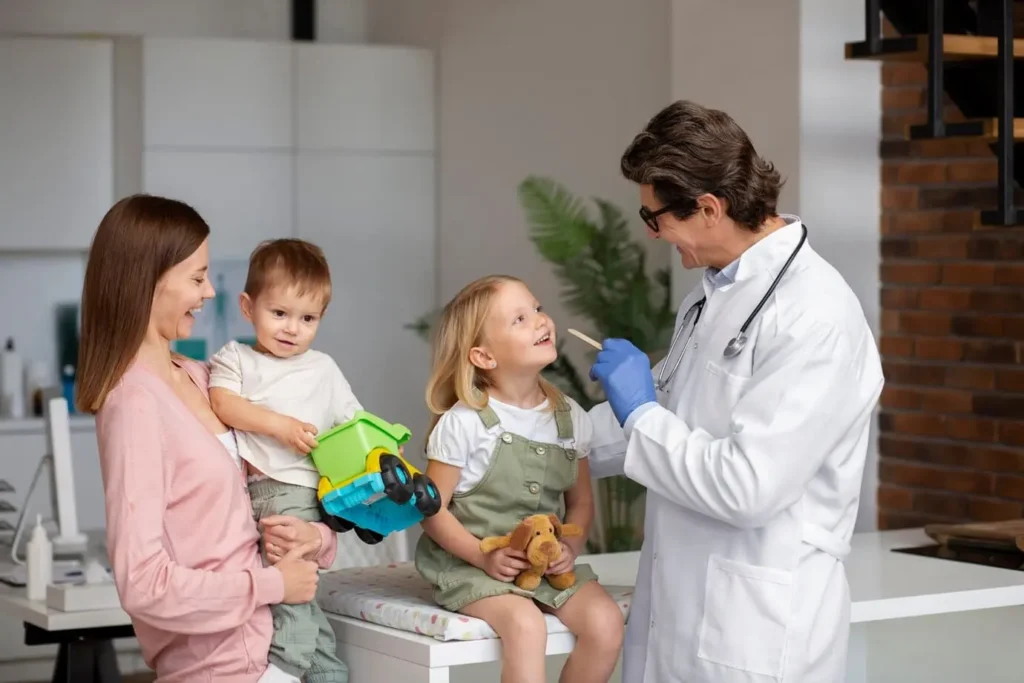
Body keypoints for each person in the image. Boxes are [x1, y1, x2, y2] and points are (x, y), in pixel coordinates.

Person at [586, 100, 884, 683]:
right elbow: (677, 416)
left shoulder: (813, 315)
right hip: (684, 607)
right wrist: (538, 436)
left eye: (655, 218)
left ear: (708, 207)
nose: (652, 234)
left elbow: (749, 487)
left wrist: (641, 410)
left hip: (757, 628)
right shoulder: (714, 292)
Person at [77, 195, 340, 683]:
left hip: (281, 649)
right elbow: (143, 584)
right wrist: (270, 584)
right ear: (146, 279)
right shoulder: (133, 403)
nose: (209, 293)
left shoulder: (205, 379)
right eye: (196, 278)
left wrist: (317, 539)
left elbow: (265, 502)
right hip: (221, 668)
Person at [414, 275, 624, 683]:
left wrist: (569, 549)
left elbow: (580, 503)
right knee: (527, 626)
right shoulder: (465, 422)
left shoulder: (570, 418)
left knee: (606, 622)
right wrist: (481, 556)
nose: (541, 321)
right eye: (520, 319)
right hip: (471, 565)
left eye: (538, 309)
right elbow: (430, 510)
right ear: (484, 356)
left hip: (545, 566)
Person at [208, 238, 359, 683]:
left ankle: (304, 670)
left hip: (303, 496)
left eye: (307, 318)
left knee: (298, 589)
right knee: (292, 592)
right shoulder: (236, 357)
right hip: (257, 494)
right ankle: (308, 670)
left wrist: (384, 450)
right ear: (247, 307)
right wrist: (280, 426)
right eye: (279, 314)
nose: (292, 328)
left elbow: (355, 421)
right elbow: (223, 404)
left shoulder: (324, 369)